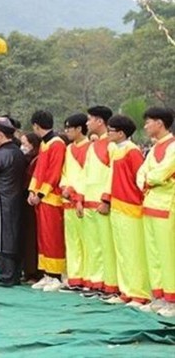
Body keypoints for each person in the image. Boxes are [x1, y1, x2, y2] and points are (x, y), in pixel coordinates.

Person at [106, 115, 150, 307]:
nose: (108, 133)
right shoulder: (116, 150)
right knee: (122, 251)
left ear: (121, 133)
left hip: (131, 207)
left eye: (111, 130)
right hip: (117, 205)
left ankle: (139, 293)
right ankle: (126, 291)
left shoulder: (132, 151)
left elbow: (139, 179)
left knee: (133, 251)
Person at [136, 107, 175, 317]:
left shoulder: (173, 146)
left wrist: (150, 179)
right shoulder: (153, 149)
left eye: (148, 122)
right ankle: (159, 296)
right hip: (150, 204)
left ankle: (172, 299)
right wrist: (149, 179)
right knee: (153, 253)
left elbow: (161, 173)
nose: (146, 126)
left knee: (168, 253)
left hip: (167, 205)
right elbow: (141, 173)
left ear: (159, 123)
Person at [0, 118, 28, 288]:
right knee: (13, 235)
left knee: (3, 237)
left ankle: (6, 276)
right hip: (17, 199)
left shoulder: (0, 154)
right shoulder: (17, 152)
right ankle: (15, 274)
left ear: (0, 135)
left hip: (2, 200)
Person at [27, 110, 67, 292]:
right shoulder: (45, 143)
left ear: (36, 126)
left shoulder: (57, 144)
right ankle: (47, 273)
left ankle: (56, 274)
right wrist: (32, 191)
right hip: (42, 198)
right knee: (43, 237)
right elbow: (39, 171)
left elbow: (54, 173)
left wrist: (40, 194)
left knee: (53, 237)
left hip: (52, 198)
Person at [81, 105, 117, 299]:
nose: (87, 123)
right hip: (89, 202)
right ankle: (96, 282)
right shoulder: (92, 145)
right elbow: (86, 174)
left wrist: (106, 198)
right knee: (93, 244)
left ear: (100, 121)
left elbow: (113, 174)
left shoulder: (110, 145)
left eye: (90, 119)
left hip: (102, 203)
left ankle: (110, 284)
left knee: (106, 245)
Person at [58, 114, 90, 293]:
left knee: (87, 241)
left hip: (83, 202)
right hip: (68, 199)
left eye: (69, 128)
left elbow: (89, 176)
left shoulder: (89, 149)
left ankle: (88, 277)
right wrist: (65, 188)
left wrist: (79, 197)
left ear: (79, 129)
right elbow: (64, 172)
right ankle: (75, 277)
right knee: (72, 241)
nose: (67, 132)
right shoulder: (69, 149)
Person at [19, 132, 42, 284]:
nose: (23, 147)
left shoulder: (36, 160)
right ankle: (28, 271)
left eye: (25, 143)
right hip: (24, 201)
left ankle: (34, 272)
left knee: (33, 237)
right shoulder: (28, 159)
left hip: (32, 201)